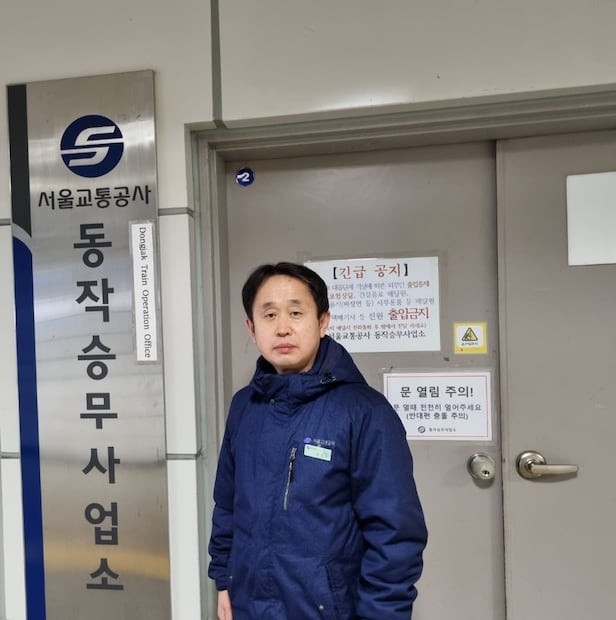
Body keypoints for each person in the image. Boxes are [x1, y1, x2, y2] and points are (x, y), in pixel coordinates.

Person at [208, 262, 427, 620]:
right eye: (269, 315)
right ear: (251, 328)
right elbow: (227, 505)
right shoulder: (244, 407)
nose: (282, 328)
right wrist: (223, 580)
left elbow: (395, 534)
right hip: (247, 603)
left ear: (323, 322)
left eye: (296, 313)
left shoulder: (364, 412)